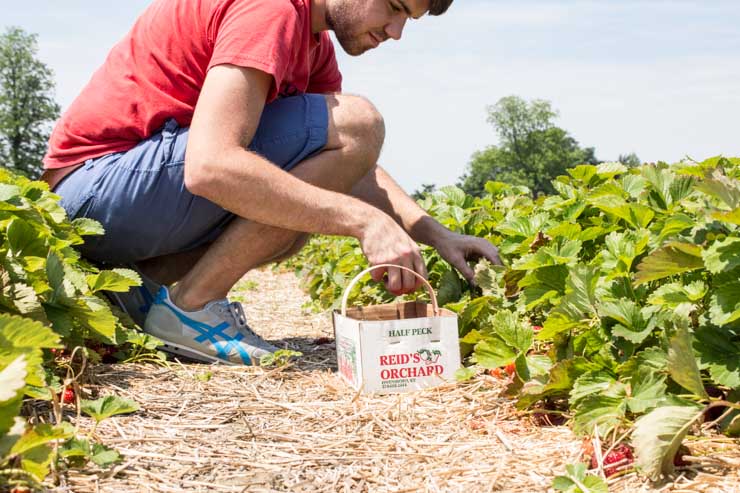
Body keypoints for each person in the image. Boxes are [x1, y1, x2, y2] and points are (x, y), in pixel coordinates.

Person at [42, 0, 501, 366]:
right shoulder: (272, 8)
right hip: (92, 190)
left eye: (409, 20)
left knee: (293, 222)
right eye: (395, 7)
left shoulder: (313, 43)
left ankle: (135, 294)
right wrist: (363, 222)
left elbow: (349, 163)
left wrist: (435, 233)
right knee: (357, 124)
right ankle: (192, 307)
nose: (395, 32)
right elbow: (211, 165)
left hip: (122, 201)